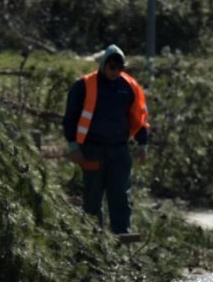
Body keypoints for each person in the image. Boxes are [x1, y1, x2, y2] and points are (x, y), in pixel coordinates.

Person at [62, 45, 149, 234]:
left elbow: (139, 117)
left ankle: (121, 239)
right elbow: (70, 119)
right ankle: (94, 242)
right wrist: (73, 146)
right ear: (103, 65)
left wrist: (143, 143)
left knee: (120, 197)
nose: (116, 71)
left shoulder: (129, 87)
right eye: (112, 67)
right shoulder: (83, 86)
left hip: (119, 152)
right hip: (92, 150)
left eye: (120, 68)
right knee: (92, 198)